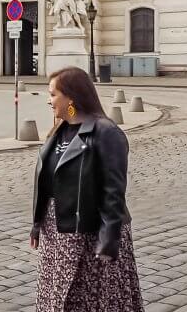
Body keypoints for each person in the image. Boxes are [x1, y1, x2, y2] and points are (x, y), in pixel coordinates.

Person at [31, 67, 143, 311]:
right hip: (59, 232)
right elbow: (47, 182)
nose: (49, 101)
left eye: (53, 94)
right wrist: (37, 224)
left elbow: (113, 192)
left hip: (92, 235)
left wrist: (108, 241)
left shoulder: (106, 132)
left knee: (94, 301)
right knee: (58, 298)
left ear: (70, 97)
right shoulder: (58, 130)